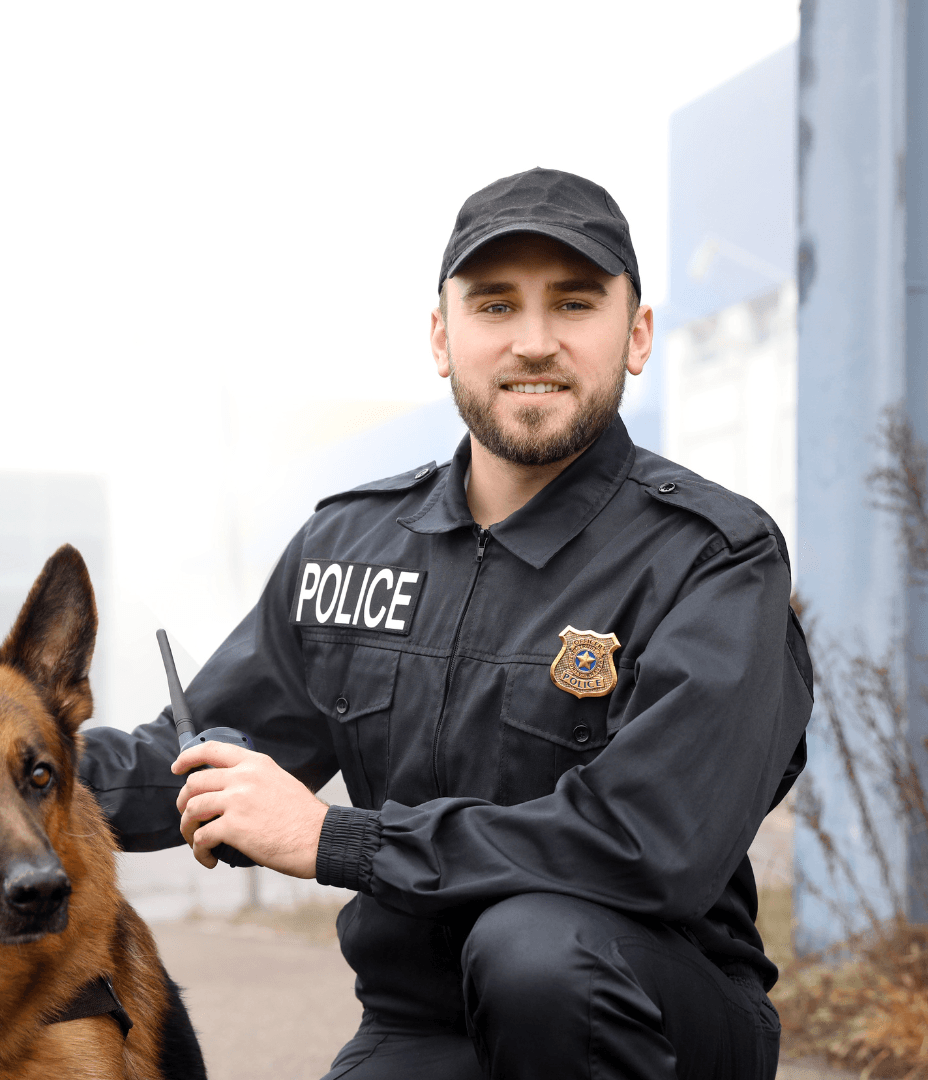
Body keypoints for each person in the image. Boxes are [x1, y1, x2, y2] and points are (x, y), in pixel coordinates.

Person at [80, 167, 812, 1080]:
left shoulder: (713, 559)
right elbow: (186, 761)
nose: (534, 343)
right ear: (441, 337)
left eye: (575, 304)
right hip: (421, 1025)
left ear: (638, 335)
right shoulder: (347, 547)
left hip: (652, 1010)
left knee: (536, 950)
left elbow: (649, 843)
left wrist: (335, 840)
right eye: (495, 307)